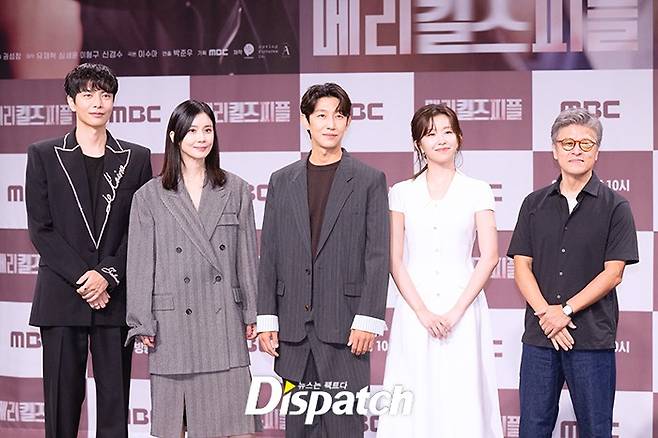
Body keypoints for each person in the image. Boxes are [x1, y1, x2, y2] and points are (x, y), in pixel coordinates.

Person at [25, 63, 152, 438]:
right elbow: (41, 229)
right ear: (71, 102)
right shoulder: (44, 154)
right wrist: (86, 278)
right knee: (61, 407)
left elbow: (141, 231)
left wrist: (107, 275)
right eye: (88, 94)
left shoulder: (136, 158)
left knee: (115, 407)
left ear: (113, 102)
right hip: (63, 297)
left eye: (105, 95)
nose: (98, 102)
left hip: (114, 298)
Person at [257, 83, 389, 437]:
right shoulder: (281, 181)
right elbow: (270, 252)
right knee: (298, 428)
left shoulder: (369, 180)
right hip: (293, 333)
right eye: (321, 115)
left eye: (339, 115)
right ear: (306, 121)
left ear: (348, 122)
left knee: (345, 427)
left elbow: (378, 255)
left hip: (347, 330)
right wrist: (267, 318)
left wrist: (368, 318)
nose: (331, 123)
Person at [126, 99, 260, 438]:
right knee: (175, 429)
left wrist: (252, 313)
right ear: (175, 137)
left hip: (224, 320)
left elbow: (246, 257)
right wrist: (141, 320)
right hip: (173, 327)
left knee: (238, 428)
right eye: (193, 131)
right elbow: (140, 263)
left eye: (208, 130)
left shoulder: (236, 189)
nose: (202, 138)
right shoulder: (149, 196)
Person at [507, 108, 639, 437]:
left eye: (585, 143)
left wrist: (564, 311)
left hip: (591, 338)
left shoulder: (616, 206)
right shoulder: (533, 204)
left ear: (597, 151)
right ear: (555, 150)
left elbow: (614, 273)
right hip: (540, 338)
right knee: (532, 429)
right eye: (567, 143)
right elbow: (521, 266)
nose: (576, 150)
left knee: (596, 429)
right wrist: (547, 315)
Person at [377, 103, 503, 437]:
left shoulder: (477, 189)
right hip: (414, 306)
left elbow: (490, 255)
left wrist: (456, 311)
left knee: (462, 390)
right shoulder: (401, 192)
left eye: (448, 131)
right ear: (418, 143)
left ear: (459, 137)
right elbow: (394, 259)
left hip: (464, 305)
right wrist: (422, 312)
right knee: (412, 388)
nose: (441, 140)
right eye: (431, 134)